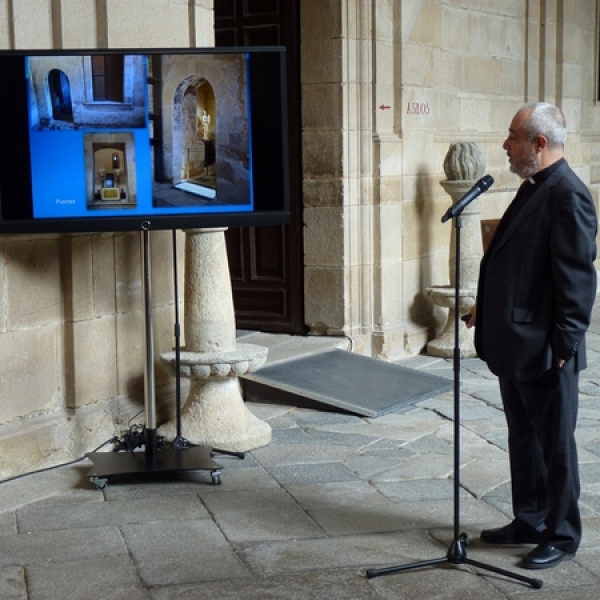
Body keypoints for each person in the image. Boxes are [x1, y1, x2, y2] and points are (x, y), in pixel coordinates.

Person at [465, 102, 597, 570]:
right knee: (523, 438)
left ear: (538, 144)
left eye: (513, 136)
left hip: (546, 349)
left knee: (555, 445)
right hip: (517, 341)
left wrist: (563, 347)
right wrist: (489, 306)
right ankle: (530, 519)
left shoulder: (568, 195)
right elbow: (520, 263)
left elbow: (576, 282)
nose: (505, 144)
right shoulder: (535, 186)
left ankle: (561, 536)